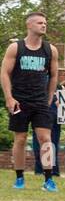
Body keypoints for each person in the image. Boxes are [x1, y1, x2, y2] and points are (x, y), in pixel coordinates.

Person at [3, 13, 60, 191]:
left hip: (40, 102)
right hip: (19, 101)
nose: (44, 25)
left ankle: (49, 179)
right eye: (40, 22)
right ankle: (19, 178)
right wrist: (9, 98)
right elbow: (4, 73)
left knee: (46, 139)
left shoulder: (50, 50)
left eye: (45, 22)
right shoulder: (15, 48)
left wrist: (49, 97)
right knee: (20, 139)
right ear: (29, 25)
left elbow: (54, 76)